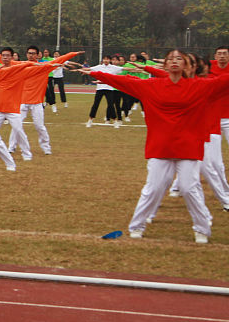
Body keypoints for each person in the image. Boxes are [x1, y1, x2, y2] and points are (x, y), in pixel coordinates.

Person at [78, 50, 229, 243]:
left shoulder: (200, 86)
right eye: (170, 59)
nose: (175, 61)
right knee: (154, 188)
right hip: (160, 146)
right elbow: (125, 82)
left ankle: (202, 229)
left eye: (179, 59)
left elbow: (224, 82)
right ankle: (137, 226)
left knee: (189, 187)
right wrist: (95, 72)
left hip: (188, 147)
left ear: (186, 66)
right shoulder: (151, 85)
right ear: (165, 65)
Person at [86, 55, 122, 127]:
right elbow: (88, 69)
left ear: (110, 60)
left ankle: (115, 121)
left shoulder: (113, 68)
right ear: (103, 60)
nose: (106, 60)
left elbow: (125, 68)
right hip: (100, 89)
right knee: (96, 104)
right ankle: (90, 120)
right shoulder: (98, 67)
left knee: (111, 105)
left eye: (108, 59)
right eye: (105, 59)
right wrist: (79, 69)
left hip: (109, 89)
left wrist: (138, 69)